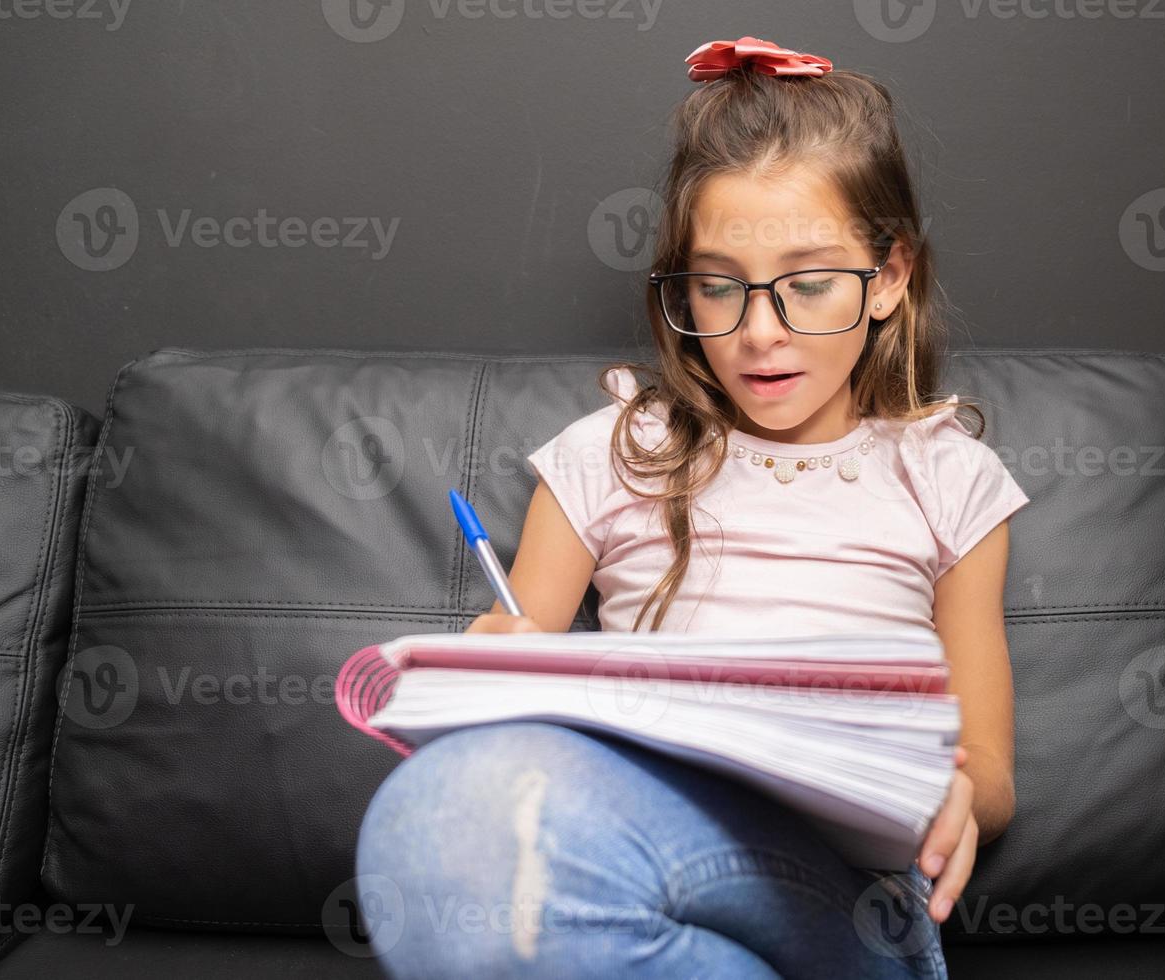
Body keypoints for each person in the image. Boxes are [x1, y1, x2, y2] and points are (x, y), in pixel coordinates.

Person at [355, 35, 1030, 978]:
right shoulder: (612, 455)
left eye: (808, 285)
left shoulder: (946, 476)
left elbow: (990, 768)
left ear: (889, 277)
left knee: (456, 821)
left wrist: (959, 791)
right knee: (436, 815)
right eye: (718, 288)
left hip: (853, 900)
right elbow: (515, 664)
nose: (759, 334)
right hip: (638, 850)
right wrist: (498, 664)